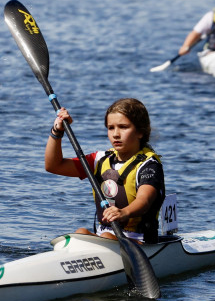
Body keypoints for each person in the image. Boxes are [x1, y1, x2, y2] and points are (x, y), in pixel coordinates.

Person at [45, 98, 165, 244]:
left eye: (123, 127)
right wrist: (57, 132)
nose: (116, 134)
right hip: (105, 238)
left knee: (106, 238)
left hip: (140, 241)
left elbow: (144, 200)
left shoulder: (149, 165)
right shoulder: (100, 160)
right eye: (111, 128)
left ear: (140, 132)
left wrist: (124, 212)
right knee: (80, 232)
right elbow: (53, 166)